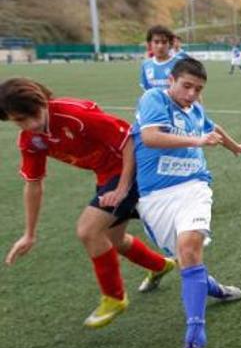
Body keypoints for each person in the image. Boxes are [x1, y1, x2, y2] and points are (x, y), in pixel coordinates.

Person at [0, 78, 175, 329]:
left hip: (134, 168)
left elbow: (129, 140)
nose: (31, 124)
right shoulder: (31, 140)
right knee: (112, 240)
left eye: (33, 114)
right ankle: (160, 265)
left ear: (41, 101)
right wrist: (29, 234)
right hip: (106, 177)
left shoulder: (75, 115)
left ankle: (114, 298)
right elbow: (34, 184)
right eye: (19, 120)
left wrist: (124, 187)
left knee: (89, 230)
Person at [132, 57, 241, 348]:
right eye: (187, 86)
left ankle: (194, 340)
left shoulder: (195, 109)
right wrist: (198, 140)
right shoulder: (154, 99)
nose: (191, 94)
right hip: (156, 196)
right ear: (171, 80)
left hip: (194, 186)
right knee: (187, 261)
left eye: (198, 89)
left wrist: (234, 146)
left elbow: (212, 127)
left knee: (189, 248)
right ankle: (215, 289)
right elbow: (150, 138)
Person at [140, 25, 182, 92]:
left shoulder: (180, 63)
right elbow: (147, 91)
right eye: (156, 42)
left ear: (170, 44)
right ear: (150, 44)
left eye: (164, 42)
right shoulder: (146, 65)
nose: (160, 46)